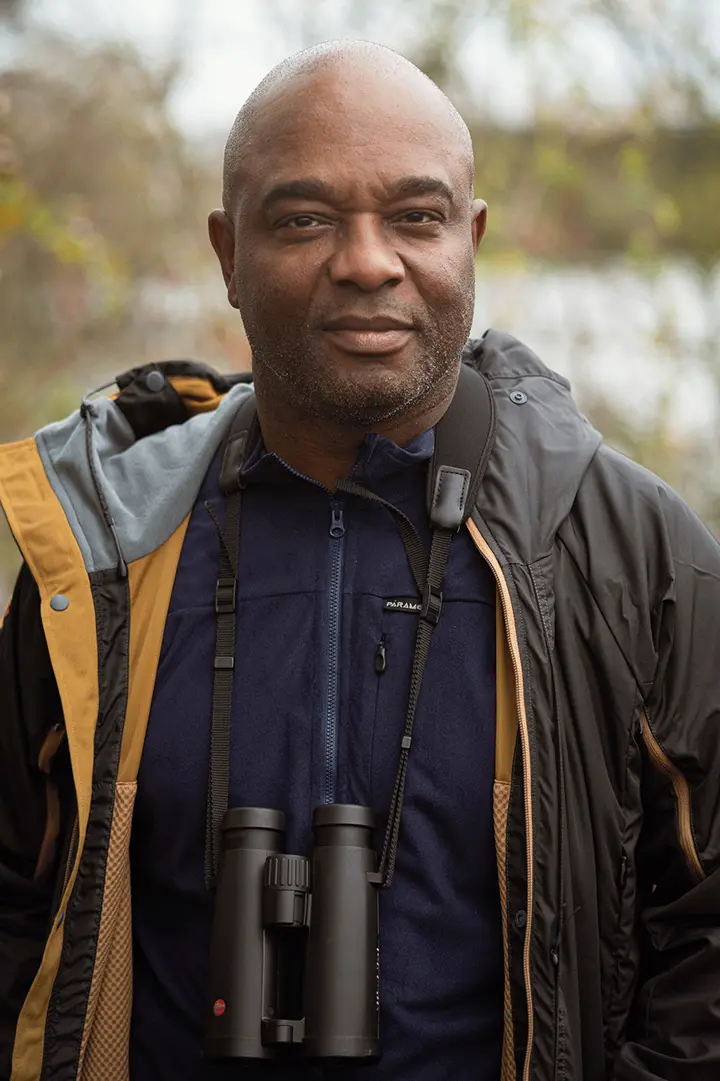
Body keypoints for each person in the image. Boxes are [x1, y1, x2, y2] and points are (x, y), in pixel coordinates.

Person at [1, 38, 719, 1081]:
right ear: (227, 254)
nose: (368, 260)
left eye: (416, 217)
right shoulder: (103, 552)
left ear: (471, 239)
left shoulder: (632, 555)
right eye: (304, 219)